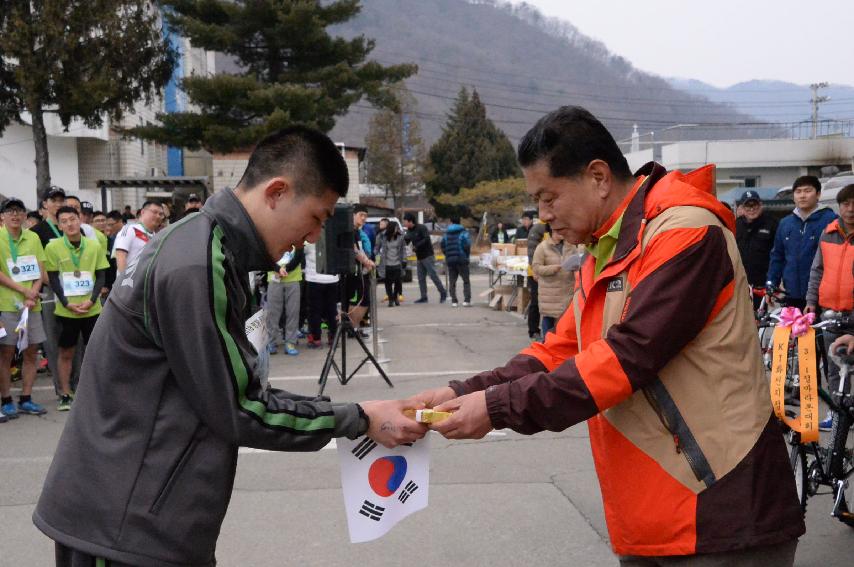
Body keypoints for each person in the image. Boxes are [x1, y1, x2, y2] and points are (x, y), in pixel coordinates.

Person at [415, 106, 804, 565]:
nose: (542, 215)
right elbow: (558, 349)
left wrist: (496, 408)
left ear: (598, 177)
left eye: (548, 197)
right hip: (653, 512)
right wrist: (465, 392)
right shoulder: (606, 247)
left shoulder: (684, 232)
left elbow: (627, 356)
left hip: (721, 509)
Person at [34, 126, 427, 566]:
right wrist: (359, 417)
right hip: (124, 524)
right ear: (277, 192)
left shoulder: (205, 245)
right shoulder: (199, 262)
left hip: (140, 512)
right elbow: (238, 407)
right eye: (316, 217)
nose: (314, 237)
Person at [44, 206, 109, 411]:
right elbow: (53, 278)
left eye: (73, 219)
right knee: (66, 352)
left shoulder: (93, 244)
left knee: (95, 351)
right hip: (67, 310)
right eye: (64, 221)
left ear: (80, 219)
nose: (70, 224)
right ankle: (65, 393)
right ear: (59, 225)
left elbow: (100, 275)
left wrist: (91, 300)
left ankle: (97, 392)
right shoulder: (53, 247)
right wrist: (65, 303)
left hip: (92, 308)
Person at [806, 184, 854, 430]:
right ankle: (837, 415)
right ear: (839, 206)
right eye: (846, 204)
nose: (851, 209)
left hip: (853, 314)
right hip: (830, 312)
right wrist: (811, 302)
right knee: (833, 367)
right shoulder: (828, 233)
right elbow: (817, 270)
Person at [0, 198, 48, 420]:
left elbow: (40, 269)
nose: (15, 215)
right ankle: (6, 399)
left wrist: (33, 292)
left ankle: (26, 398)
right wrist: (23, 290)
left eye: (19, 211)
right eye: (10, 211)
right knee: (7, 353)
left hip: (32, 305)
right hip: (7, 304)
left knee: (31, 351)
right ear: (3, 216)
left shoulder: (33, 237)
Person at [766, 175, 837, 309]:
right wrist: (771, 285)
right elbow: (777, 257)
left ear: (818, 194)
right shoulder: (785, 223)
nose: (802, 196)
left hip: (822, 296)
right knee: (792, 330)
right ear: (793, 196)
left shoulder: (831, 221)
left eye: (807, 191)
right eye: (798, 192)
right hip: (791, 295)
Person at [734, 190, 777, 309]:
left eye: (755, 205)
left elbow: (778, 254)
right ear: (742, 208)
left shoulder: (771, 224)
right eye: (748, 205)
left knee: (760, 320)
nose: (752, 209)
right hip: (741, 285)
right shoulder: (736, 225)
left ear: (760, 205)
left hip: (762, 285)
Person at [531, 229, 577, 337]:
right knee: (549, 320)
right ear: (552, 232)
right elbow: (536, 268)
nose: (561, 233)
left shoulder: (571, 246)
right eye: (558, 231)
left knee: (565, 321)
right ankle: (546, 344)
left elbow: (577, 260)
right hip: (550, 292)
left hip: (567, 290)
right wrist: (552, 269)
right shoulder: (542, 247)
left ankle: (561, 347)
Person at [264, 246, 304, 356]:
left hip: (293, 279)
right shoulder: (272, 236)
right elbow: (267, 256)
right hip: (274, 278)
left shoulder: (297, 237)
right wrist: (278, 269)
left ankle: (290, 343)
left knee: (293, 312)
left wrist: (284, 269)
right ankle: (271, 342)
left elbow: (298, 257)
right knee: (273, 313)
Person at [404, 212, 447, 303]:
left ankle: (443, 293)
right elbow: (407, 240)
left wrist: (417, 246)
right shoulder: (409, 230)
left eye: (405, 221)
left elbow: (426, 239)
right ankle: (424, 297)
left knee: (433, 275)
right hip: (419, 256)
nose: (404, 223)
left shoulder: (421, 228)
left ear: (410, 221)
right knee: (421, 277)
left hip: (427, 255)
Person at [303, 240, 339, 348]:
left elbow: (301, 250)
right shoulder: (333, 235)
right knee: (332, 309)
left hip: (314, 278)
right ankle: (333, 336)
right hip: (332, 278)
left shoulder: (309, 239)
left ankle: (316, 338)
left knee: (315, 310)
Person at [112, 200, 165, 274]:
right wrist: (124, 281)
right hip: (129, 283)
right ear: (143, 212)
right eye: (155, 212)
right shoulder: (130, 229)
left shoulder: (155, 236)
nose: (158, 216)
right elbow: (120, 256)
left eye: (161, 214)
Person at [346, 204, 374, 335]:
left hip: (360, 271)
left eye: (365, 216)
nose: (363, 218)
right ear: (353, 215)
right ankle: (352, 327)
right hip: (351, 272)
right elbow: (354, 250)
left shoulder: (357, 231)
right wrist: (367, 261)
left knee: (363, 300)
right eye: (361, 215)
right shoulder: (348, 230)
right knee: (358, 300)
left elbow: (360, 249)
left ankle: (354, 327)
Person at [441, 216, 472, 307]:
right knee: (466, 280)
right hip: (461, 259)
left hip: (450, 260)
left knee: (452, 281)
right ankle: (466, 300)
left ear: (451, 222)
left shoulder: (446, 234)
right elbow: (467, 245)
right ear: (460, 222)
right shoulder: (463, 232)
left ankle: (454, 301)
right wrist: (466, 256)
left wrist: (447, 254)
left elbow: (442, 245)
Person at [525, 219, 547, 339]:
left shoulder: (556, 224)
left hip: (548, 271)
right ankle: (533, 330)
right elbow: (531, 251)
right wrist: (534, 270)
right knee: (535, 301)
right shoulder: (538, 228)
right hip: (535, 272)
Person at [376, 220, 406, 307]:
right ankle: (390, 299)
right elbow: (377, 247)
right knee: (388, 283)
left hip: (397, 263)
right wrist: (374, 256)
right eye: (396, 228)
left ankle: (395, 296)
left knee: (397, 282)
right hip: (386, 263)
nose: (397, 230)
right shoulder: (382, 237)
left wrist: (404, 260)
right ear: (391, 228)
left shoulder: (400, 237)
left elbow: (403, 249)